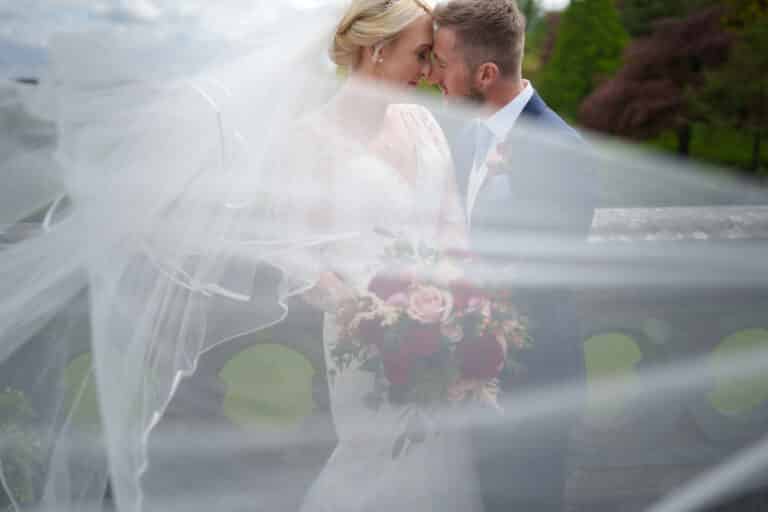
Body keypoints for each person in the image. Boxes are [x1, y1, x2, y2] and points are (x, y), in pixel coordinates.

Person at [429, 1, 597, 510]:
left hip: (534, 379)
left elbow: (547, 272)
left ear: (484, 73)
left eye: (440, 59)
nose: (431, 71)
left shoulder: (560, 149)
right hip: (466, 378)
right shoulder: (463, 137)